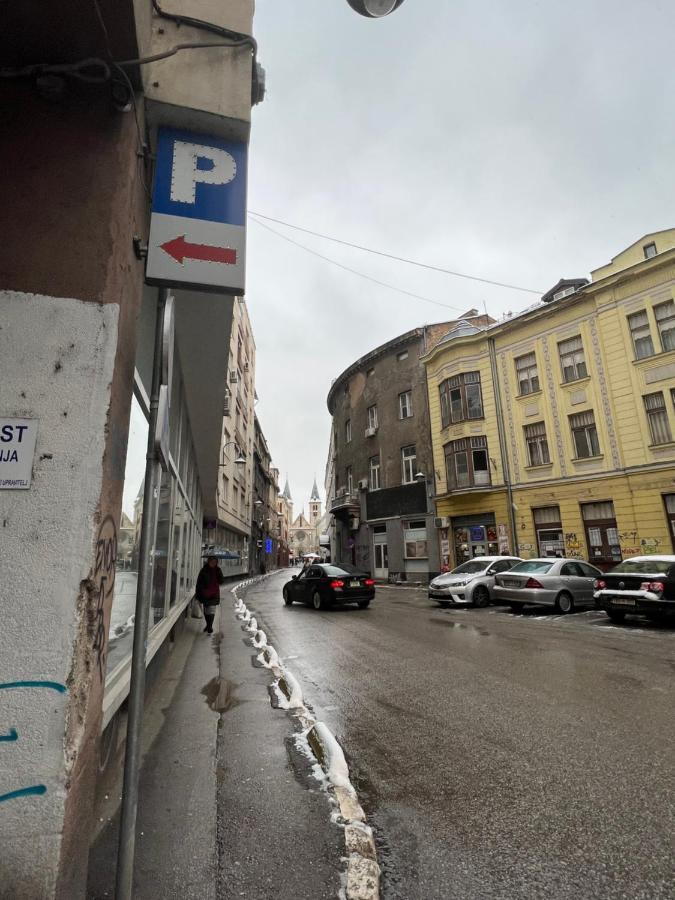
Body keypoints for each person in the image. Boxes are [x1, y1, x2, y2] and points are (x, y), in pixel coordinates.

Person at [196, 555, 225, 634]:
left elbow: (221, 581)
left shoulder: (218, 570)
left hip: (214, 593)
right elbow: (199, 583)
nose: (213, 563)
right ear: (208, 562)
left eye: (215, 562)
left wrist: (219, 574)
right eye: (211, 562)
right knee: (206, 610)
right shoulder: (203, 570)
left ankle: (210, 626)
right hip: (205, 593)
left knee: (211, 610)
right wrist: (198, 594)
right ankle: (208, 625)